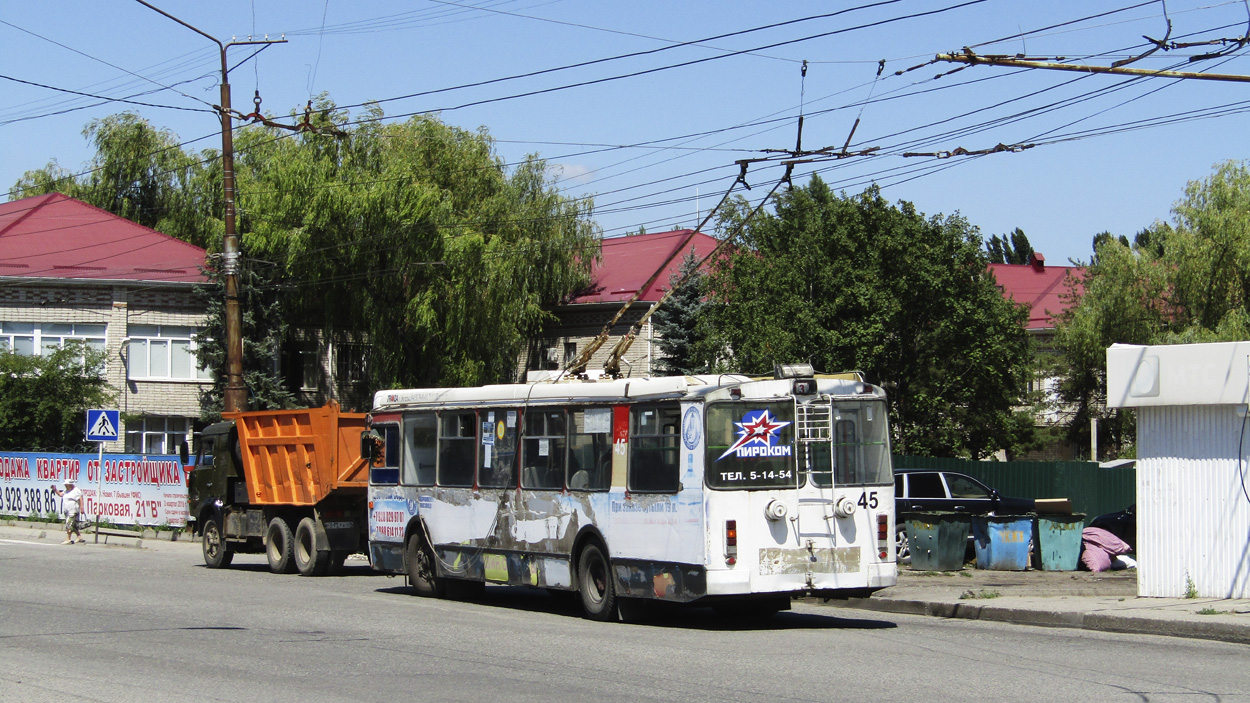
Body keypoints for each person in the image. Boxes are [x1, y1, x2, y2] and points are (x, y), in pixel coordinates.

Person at [51, 478, 83, 544]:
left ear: (70, 484)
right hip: (67, 510)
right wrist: (55, 489)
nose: (65, 486)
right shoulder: (66, 491)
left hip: (73, 510)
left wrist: (82, 507)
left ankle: (68, 539)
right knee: (73, 525)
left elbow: (80, 498)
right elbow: (60, 494)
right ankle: (79, 537)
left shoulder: (76, 490)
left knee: (69, 524)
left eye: (67, 484)